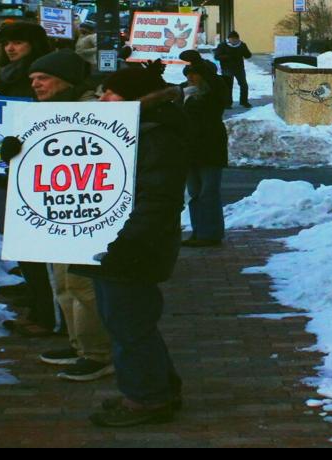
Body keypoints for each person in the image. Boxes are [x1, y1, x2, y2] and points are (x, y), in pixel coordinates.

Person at [73, 65, 191, 427]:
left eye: (111, 93)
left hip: (134, 245)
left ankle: (146, 399)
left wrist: (127, 243)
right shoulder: (136, 127)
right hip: (121, 241)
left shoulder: (153, 134)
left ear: (136, 97)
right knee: (128, 320)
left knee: (127, 323)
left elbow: (157, 198)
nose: (102, 99)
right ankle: (158, 387)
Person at [0, 51, 116, 379]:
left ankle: (99, 353)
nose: (36, 84)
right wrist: (11, 153)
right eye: (33, 79)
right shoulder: (44, 112)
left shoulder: (93, 109)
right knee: (64, 283)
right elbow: (28, 161)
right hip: (60, 211)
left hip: (88, 212)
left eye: (43, 78)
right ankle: (79, 344)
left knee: (82, 284)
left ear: (66, 80)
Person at [0, 21, 56, 329]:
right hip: (10, 163)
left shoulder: (37, 75)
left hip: (32, 167)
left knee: (34, 242)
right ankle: (38, 294)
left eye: (18, 43)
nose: (10, 48)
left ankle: (45, 311)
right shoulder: (8, 74)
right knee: (20, 239)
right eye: (7, 43)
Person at [180, 59, 227, 248]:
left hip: (210, 148)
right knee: (194, 193)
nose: (190, 77)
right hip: (189, 148)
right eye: (188, 74)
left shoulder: (213, 93)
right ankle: (198, 231)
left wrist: (200, 63)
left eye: (195, 73)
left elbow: (216, 83)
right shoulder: (185, 94)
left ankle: (210, 233)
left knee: (208, 192)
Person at [213, 30, 253, 108]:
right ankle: (228, 103)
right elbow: (216, 56)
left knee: (244, 85)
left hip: (239, 68)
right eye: (232, 39)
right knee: (228, 86)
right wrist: (226, 57)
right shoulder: (223, 45)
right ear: (229, 39)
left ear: (238, 39)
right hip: (227, 68)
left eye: (235, 39)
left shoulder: (242, 45)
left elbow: (248, 55)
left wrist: (246, 52)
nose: (234, 41)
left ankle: (244, 102)